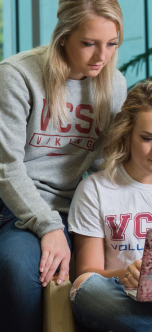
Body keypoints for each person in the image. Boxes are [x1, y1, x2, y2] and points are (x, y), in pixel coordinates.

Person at [0, 0, 127, 332]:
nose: (101, 56)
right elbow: (5, 167)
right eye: (89, 43)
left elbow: (100, 166)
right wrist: (49, 227)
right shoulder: (16, 74)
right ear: (63, 36)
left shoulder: (114, 87)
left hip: (48, 205)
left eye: (111, 44)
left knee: (20, 273)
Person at [68, 81, 152, 332]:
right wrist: (125, 274)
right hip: (120, 300)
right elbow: (85, 275)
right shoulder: (96, 189)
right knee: (86, 290)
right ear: (127, 132)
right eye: (147, 138)